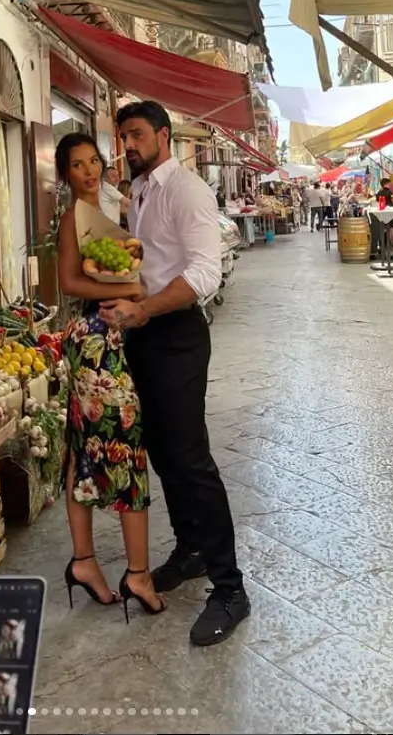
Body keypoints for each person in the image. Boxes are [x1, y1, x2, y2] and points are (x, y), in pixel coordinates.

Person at [99, 101, 248, 647]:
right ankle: (190, 550)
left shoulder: (186, 190)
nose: (128, 145)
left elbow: (205, 271)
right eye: (123, 136)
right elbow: (145, 262)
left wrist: (145, 309)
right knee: (162, 453)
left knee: (190, 459)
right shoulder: (138, 192)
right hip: (144, 332)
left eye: (136, 134)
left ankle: (230, 588)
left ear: (163, 135)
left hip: (178, 333)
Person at [56, 133, 164, 622]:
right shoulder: (71, 221)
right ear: (66, 174)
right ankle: (130, 571)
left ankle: (87, 563)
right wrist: (130, 284)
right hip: (96, 340)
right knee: (120, 446)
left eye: (94, 161)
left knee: (90, 447)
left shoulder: (112, 212)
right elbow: (70, 281)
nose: (89, 171)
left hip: (116, 337)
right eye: (77, 165)